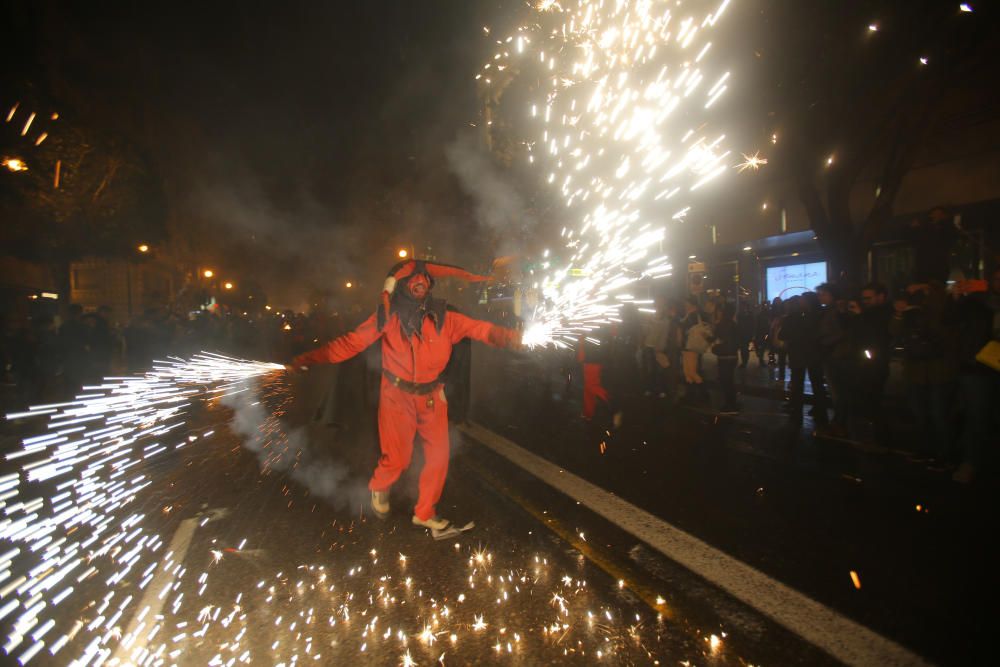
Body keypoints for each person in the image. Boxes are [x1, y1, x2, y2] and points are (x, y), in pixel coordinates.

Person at [289, 260, 521, 531]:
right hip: (396, 396)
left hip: (432, 397)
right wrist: (310, 358)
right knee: (398, 458)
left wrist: (508, 336)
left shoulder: (445, 317)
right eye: (413, 278)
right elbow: (349, 344)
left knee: (438, 458)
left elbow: (480, 329)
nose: (420, 282)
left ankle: (424, 512)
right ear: (401, 286)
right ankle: (379, 486)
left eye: (425, 278)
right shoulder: (387, 317)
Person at [782, 292, 829, 428]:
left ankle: (796, 412)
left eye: (802, 300)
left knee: (798, 384)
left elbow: (783, 334)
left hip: (799, 354)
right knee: (817, 384)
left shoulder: (794, 317)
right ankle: (820, 411)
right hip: (814, 354)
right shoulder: (820, 315)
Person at [712, 304, 740, 413]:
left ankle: (730, 405)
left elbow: (715, 339)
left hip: (724, 356)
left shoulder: (721, 324)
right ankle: (732, 403)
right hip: (733, 356)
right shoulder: (734, 324)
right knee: (730, 381)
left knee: (725, 382)